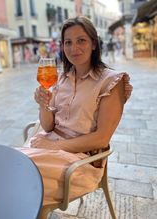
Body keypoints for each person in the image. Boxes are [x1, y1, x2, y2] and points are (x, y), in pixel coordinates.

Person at [19, 16, 132, 206]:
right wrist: (43, 105)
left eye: (81, 40)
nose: (74, 48)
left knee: (20, 178)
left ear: (94, 44)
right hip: (49, 147)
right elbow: (48, 126)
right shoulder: (62, 78)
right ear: (62, 47)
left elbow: (102, 138)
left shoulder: (112, 81)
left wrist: (53, 147)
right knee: (14, 169)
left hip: (81, 162)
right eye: (68, 42)